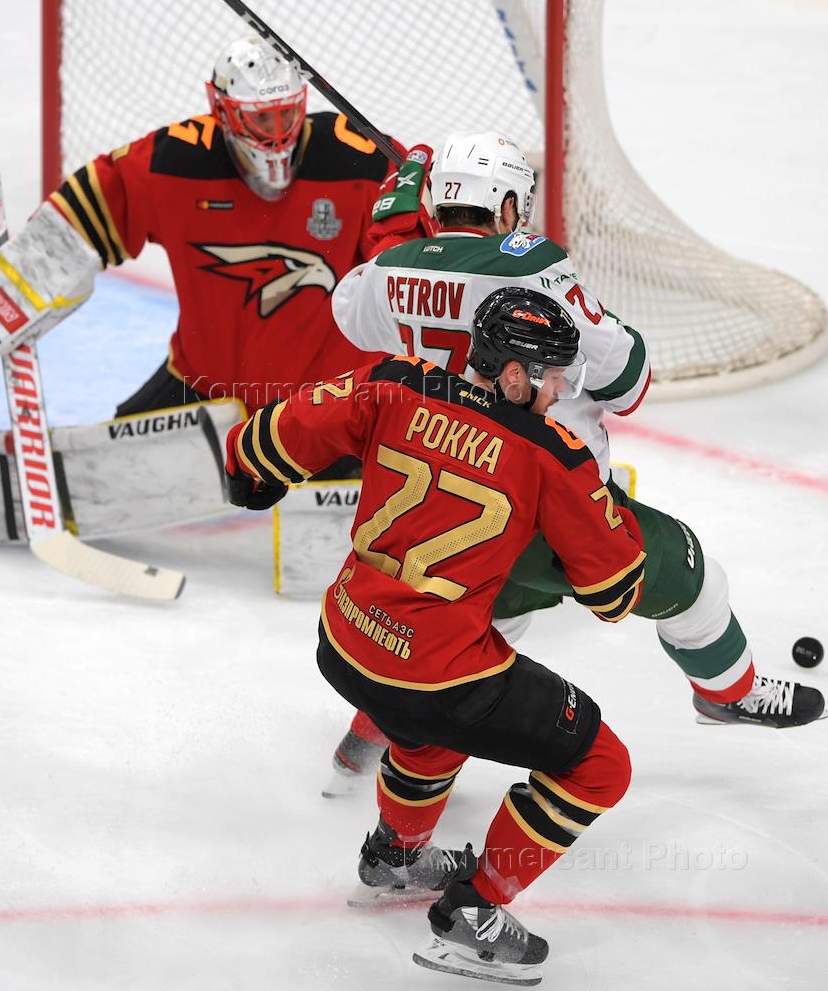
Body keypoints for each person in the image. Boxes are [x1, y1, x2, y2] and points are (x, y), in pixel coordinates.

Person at [324, 130, 825, 791]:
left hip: (439, 503)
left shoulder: (388, 270)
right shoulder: (531, 267)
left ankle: (366, 745)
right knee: (689, 574)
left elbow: (350, 312)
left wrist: (398, 240)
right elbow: (628, 381)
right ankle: (728, 693)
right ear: (506, 206)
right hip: (539, 501)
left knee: (478, 626)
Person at [222, 289, 643, 982]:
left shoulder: (395, 381)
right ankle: (472, 913)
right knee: (599, 764)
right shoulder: (551, 452)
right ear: (514, 374)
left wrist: (251, 474)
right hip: (435, 674)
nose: (559, 392)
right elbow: (614, 592)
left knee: (428, 726)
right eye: (553, 377)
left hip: (346, 639)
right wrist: (597, 515)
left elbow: (268, 438)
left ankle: (394, 858)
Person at [0, 33, 431, 429]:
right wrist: (14, 289)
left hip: (332, 395)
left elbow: (416, 248)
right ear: (221, 109)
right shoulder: (177, 161)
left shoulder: (360, 159)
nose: (277, 133)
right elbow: (95, 207)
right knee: (113, 465)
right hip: (204, 382)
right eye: (261, 119)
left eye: (286, 114)